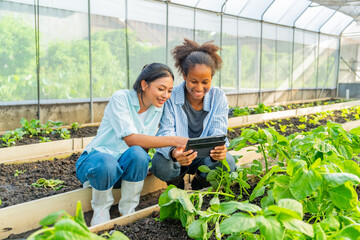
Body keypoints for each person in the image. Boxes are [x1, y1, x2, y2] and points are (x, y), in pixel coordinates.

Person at [75, 63, 188, 226]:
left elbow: (142, 146)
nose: (166, 95)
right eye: (161, 89)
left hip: (119, 170)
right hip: (95, 165)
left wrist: (141, 166)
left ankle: (128, 210)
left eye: (169, 91)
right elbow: (131, 139)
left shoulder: (156, 108)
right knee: (107, 162)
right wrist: (174, 140)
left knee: (139, 155)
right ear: (144, 85)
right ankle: (101, 211)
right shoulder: (121, 99)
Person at [150, 39, 236, 190]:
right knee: (160, 163)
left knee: (227, 162)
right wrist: (174, 153)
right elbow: (165, 131)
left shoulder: (218, 97)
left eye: (205, 82)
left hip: (205, 159)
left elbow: (218, 132)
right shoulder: (171, 96)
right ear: (184, 76)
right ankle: (176, 187)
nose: (199, 88)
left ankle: (200, 184)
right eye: (193, 81)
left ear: (212, 78)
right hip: (178, 158)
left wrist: (219, 150)